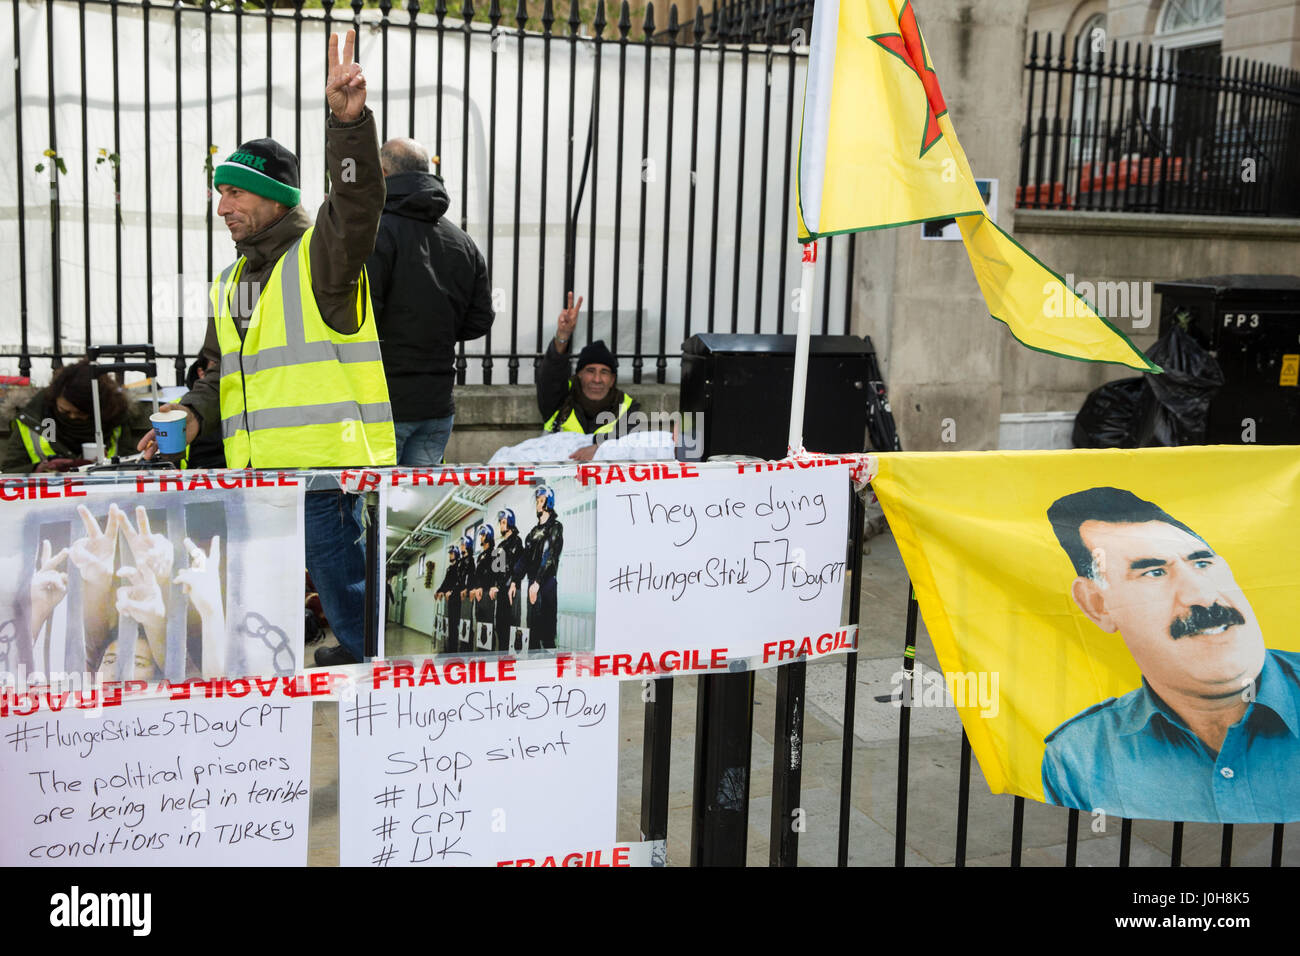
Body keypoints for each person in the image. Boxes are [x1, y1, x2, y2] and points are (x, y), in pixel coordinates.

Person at [138, 30, 392, 668]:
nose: (222, 207)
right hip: (255, 477)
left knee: (346, 595)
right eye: (220, 194)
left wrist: (349, 125)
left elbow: (357, 204)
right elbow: (220, 372)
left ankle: (384, 692)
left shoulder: (321, 258)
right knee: (270, 598)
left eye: (234, 193)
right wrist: (193, 415)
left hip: (322, 477)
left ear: (275, 198)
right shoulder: (231, 281)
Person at [1042, 486, 1300, 824]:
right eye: (1154, 573)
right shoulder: (1081, 756)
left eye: (1202, 563)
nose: (1203, 596)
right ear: (1097, 604)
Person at [367, 138, 495, 466]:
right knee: (413, 508)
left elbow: (361, 314)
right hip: (438, 404)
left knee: (374, 507)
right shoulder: (462, 241)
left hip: (385, 402)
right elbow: (480, 319)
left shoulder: (377, 231)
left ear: (382, 171)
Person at [536, 292, 641, 462]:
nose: (597, 379)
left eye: (604, 372)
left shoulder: (627, 408)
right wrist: (563, 335)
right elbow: (550, 376)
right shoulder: (560, 399)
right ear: (579, 375)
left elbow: (631, 443)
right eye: (590, 371)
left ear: (612, 379)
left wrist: (599, 448)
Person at [4, 359, 148, 473]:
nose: (72, 417)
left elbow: (132, 467)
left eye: (80, 414)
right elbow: (10, 471)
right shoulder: (33, 418)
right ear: (54, 399)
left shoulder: (115, 418)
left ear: (97, 409)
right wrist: (38, 469)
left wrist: (107, 465)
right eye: (65, 411)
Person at [510, 485, 563, 651]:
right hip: (533, 583)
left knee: (547, 635)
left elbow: (550, 555)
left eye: (541, 501)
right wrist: (514, 581)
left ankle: (550, 673)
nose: (538, 504)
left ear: (549, 503)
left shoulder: (556, 527)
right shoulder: (532, 533)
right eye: (537, 501)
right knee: (532, 633)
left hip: (546, 584)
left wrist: (538, 582)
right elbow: (524, 559)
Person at [490, 508, 524, 652]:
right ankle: (501, 662)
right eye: (500, 523)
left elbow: (518, 567)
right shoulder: (499, 546)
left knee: (512, 630)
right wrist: (494, 586)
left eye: (504, 522)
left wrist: (512, 583)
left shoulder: (517, 541)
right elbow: (496, 571)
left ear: (510, 522)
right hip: (502, 593)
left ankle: (511, 664)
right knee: (500, 628)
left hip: (512, 591)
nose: (501, 525)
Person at [469, 524, 496, 652]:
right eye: (480, 535)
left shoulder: (496, 552)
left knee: (488, 628)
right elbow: (476, 576)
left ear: (489, 536)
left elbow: (497, 574)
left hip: (487, 595)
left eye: (483, 535)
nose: (480, 537)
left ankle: (489, 659)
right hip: (478, 596)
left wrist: (486, 588)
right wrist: (475, 588)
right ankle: (480, 656)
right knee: (480, 627)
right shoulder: (479, 556)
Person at [434, 545, 462, 655]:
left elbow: (459, 582)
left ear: (456, 554)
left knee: (455, 625)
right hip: (449, 600)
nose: (450, 555)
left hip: (457, 600)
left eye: (452, 553)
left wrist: (452, 591)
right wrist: (438, 591)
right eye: (449, 553)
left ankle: (454, 651)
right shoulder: (450, 568)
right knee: (450, 625)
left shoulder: (459, 567)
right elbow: (445, 583)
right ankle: (449, 649)